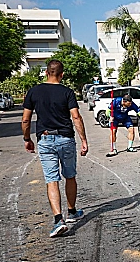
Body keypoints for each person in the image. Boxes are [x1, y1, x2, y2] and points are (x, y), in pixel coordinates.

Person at [21, 60, 89, 237]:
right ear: (62, 75)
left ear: (45, 73)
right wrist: (84, 140)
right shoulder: (67, 92)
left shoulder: (33, 92)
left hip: (45, 139)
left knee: (52, 179)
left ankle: (59, 219)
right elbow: (76, 117)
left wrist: (27, 139)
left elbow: (26, 120)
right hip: (66, 138)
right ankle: (72, 211)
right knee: (70, 176)